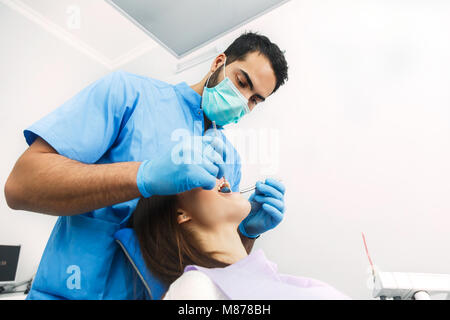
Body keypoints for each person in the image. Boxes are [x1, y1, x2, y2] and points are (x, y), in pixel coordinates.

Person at [4, 32, 289, 299]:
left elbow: (216, 258)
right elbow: (21, 186)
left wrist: (246, 234)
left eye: (254, 100)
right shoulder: (128, 94)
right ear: (218, 63)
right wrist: (145, 175)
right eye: (241, 82)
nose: (243, 101)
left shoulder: (230, 161)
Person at [131, 177, 350, 300]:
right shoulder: (195, 287)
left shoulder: (268, 280)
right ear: (181, 213)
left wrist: (248, 234)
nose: (221, 178)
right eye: (200, 178)